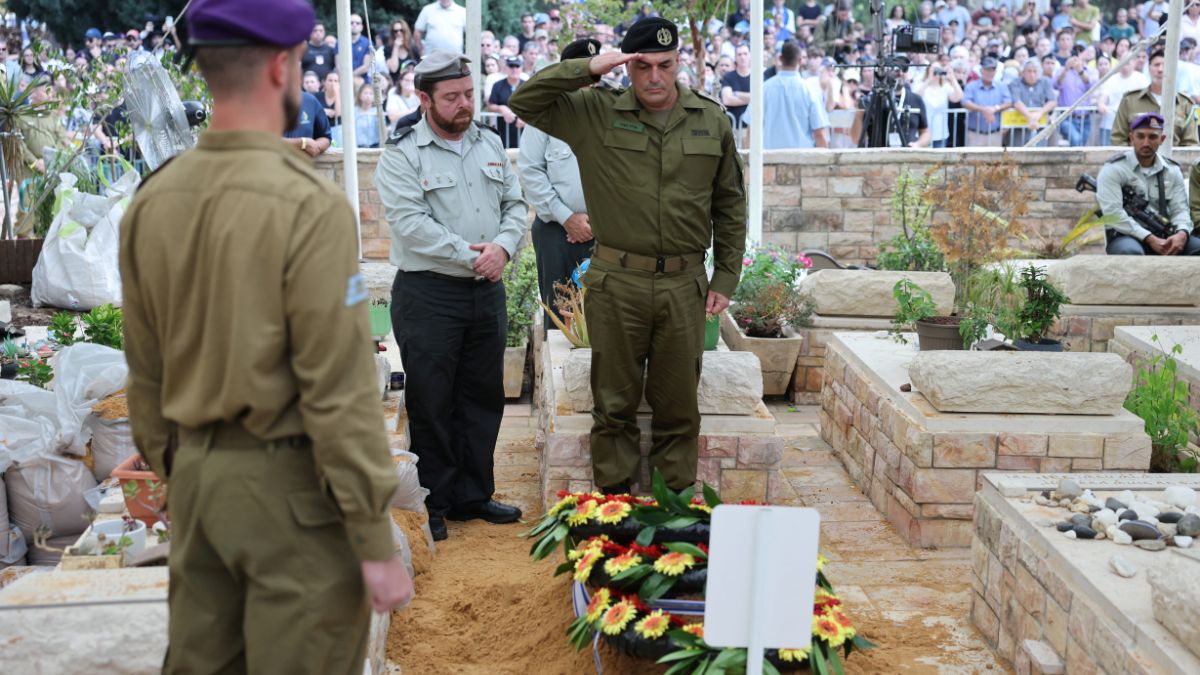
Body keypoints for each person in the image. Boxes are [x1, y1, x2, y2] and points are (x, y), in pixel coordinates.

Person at [119, 1, 413, 672]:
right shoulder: (306, 205)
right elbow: (336, 390)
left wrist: (185, 470)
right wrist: (372, 537)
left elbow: (144, 376)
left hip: (197, 481)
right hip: (293, 491)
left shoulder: (152, 202)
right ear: (282, 67)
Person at [508, 18, 746, 493]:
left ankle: (671, 513)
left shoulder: (710, 118)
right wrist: (589, 67)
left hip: (684, 284)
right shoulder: (594, 112)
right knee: (613, 407)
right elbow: (524, 101)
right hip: (617, 281)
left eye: (665, 65)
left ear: (679, 63)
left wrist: (725, 276)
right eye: (642, 66)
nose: (655, 77)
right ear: (627, 65)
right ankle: (613, 512)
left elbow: (730, 202)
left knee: (678, 406)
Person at [373, 50, 527, 541]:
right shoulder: (402, 152)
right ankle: (433, 503)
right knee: (432, 400)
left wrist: (503, 247)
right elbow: (411, 225)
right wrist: (472, 255)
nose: (465, 105)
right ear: (424, 99)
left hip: (487, 291)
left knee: (482, 397)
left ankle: (472, 495)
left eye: (468, 94)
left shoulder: (487, 141)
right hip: (430, 294)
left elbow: (515, 203)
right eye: (452, 97)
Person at [518, 38, 598, 329]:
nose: (588, 82)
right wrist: (567, 218)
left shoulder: (610, 113)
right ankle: (560, 374)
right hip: (556, 235)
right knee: (561, 318)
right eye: (580, 74)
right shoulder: (543, 116)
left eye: (593, 74)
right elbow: (531, 172)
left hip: (605, 233)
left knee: (605, 316)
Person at [1097, 113, 1200, 255]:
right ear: (1131, 137)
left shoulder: (1172, 170)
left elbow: (1180, 210)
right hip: (1126, 235)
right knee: (1130, 252)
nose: (1146, 143)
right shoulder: (1114, 169)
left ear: (1162, 139)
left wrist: (1181, 233)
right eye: (1140, 136)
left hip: (1166, 234)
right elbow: (1114, 214)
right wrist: (1149, 238)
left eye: (1152, 137)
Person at [1112, 48, 1199, 147]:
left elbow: (1191, 144)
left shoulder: (1185, 104)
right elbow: (1118, 139)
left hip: (1173, 161)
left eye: (1165, 65)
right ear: (1149, 68)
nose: (1160, 70)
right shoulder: (1130, 100)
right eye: (1156, 65)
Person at [762, 41, 828, 149]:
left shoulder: (765, 88)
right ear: (800, 60)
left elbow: (752, 128)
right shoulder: (809, 90)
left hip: (768, 157)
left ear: (780, 58)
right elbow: (819, 133)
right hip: (801, 157)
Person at [962, 56, 1013, 146]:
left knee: (994, 160)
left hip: (995, 134)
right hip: (974, 134)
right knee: (973, 160)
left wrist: (995, 108)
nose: (990, 73)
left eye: (992, 70)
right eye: (987, 70)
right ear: (981, 70)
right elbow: (965, 102)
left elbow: (1008, 102)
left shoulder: (1001, 86)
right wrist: (984, 110)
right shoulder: (971, 86)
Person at [1098, 56, 1149, 145]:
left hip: (1134, 125)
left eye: (1127, 63)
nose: (1125, 66)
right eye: (1122, 64)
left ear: (1133, 63)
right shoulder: (1111, 79)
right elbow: (1104, 96)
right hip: (1110, 123)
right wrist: (1101, 104)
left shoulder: (1141, 79)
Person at [1007, 59, 1056, 147]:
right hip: (1019, 126)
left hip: (1040, 126)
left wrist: (1038, 115)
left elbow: (1052, 101)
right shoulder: (1015, 82)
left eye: (1035, 71)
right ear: (1023, 72)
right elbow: (1016, 101)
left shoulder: (1045, 82)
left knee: (1040, 154)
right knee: (1018, 153)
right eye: (1029, 71)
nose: (1032, 74)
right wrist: (1030, 117)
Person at [283, 86, 332, 158]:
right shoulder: (263, 101)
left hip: (302, 166)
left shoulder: (310, 101)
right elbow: (263, 140)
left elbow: (325, 136)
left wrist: (316, 146)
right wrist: (303, 143)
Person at [488, 55, 525, 148]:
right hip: (503, 134)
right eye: (511, 66)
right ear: (506, 68)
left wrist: (526, 117)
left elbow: (535, 107)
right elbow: (490, 106)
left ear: (521, 68)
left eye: (517, 66)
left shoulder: (527, 86)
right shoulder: (497, 85)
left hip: (524, 134)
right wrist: (501, 108)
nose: (514, 69)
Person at [720, 43, 751, 128]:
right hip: (734, 128)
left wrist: (737, 94)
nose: (742, 57)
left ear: (750, 55)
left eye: (745, 54)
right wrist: (752, 99)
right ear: (735, 57)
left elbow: (761, 98)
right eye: (739, 54)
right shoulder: (729, 76)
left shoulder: (757, 76)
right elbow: (727, 100)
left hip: (753, 129)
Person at [353, 81, 381, 148]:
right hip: (357, 146)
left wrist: (378, 119)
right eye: (365, 93)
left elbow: (382, 130)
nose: (368, 96)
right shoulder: (354, 110)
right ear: (360, 95)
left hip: (374, 146)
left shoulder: (377, 111)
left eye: (371, 94)